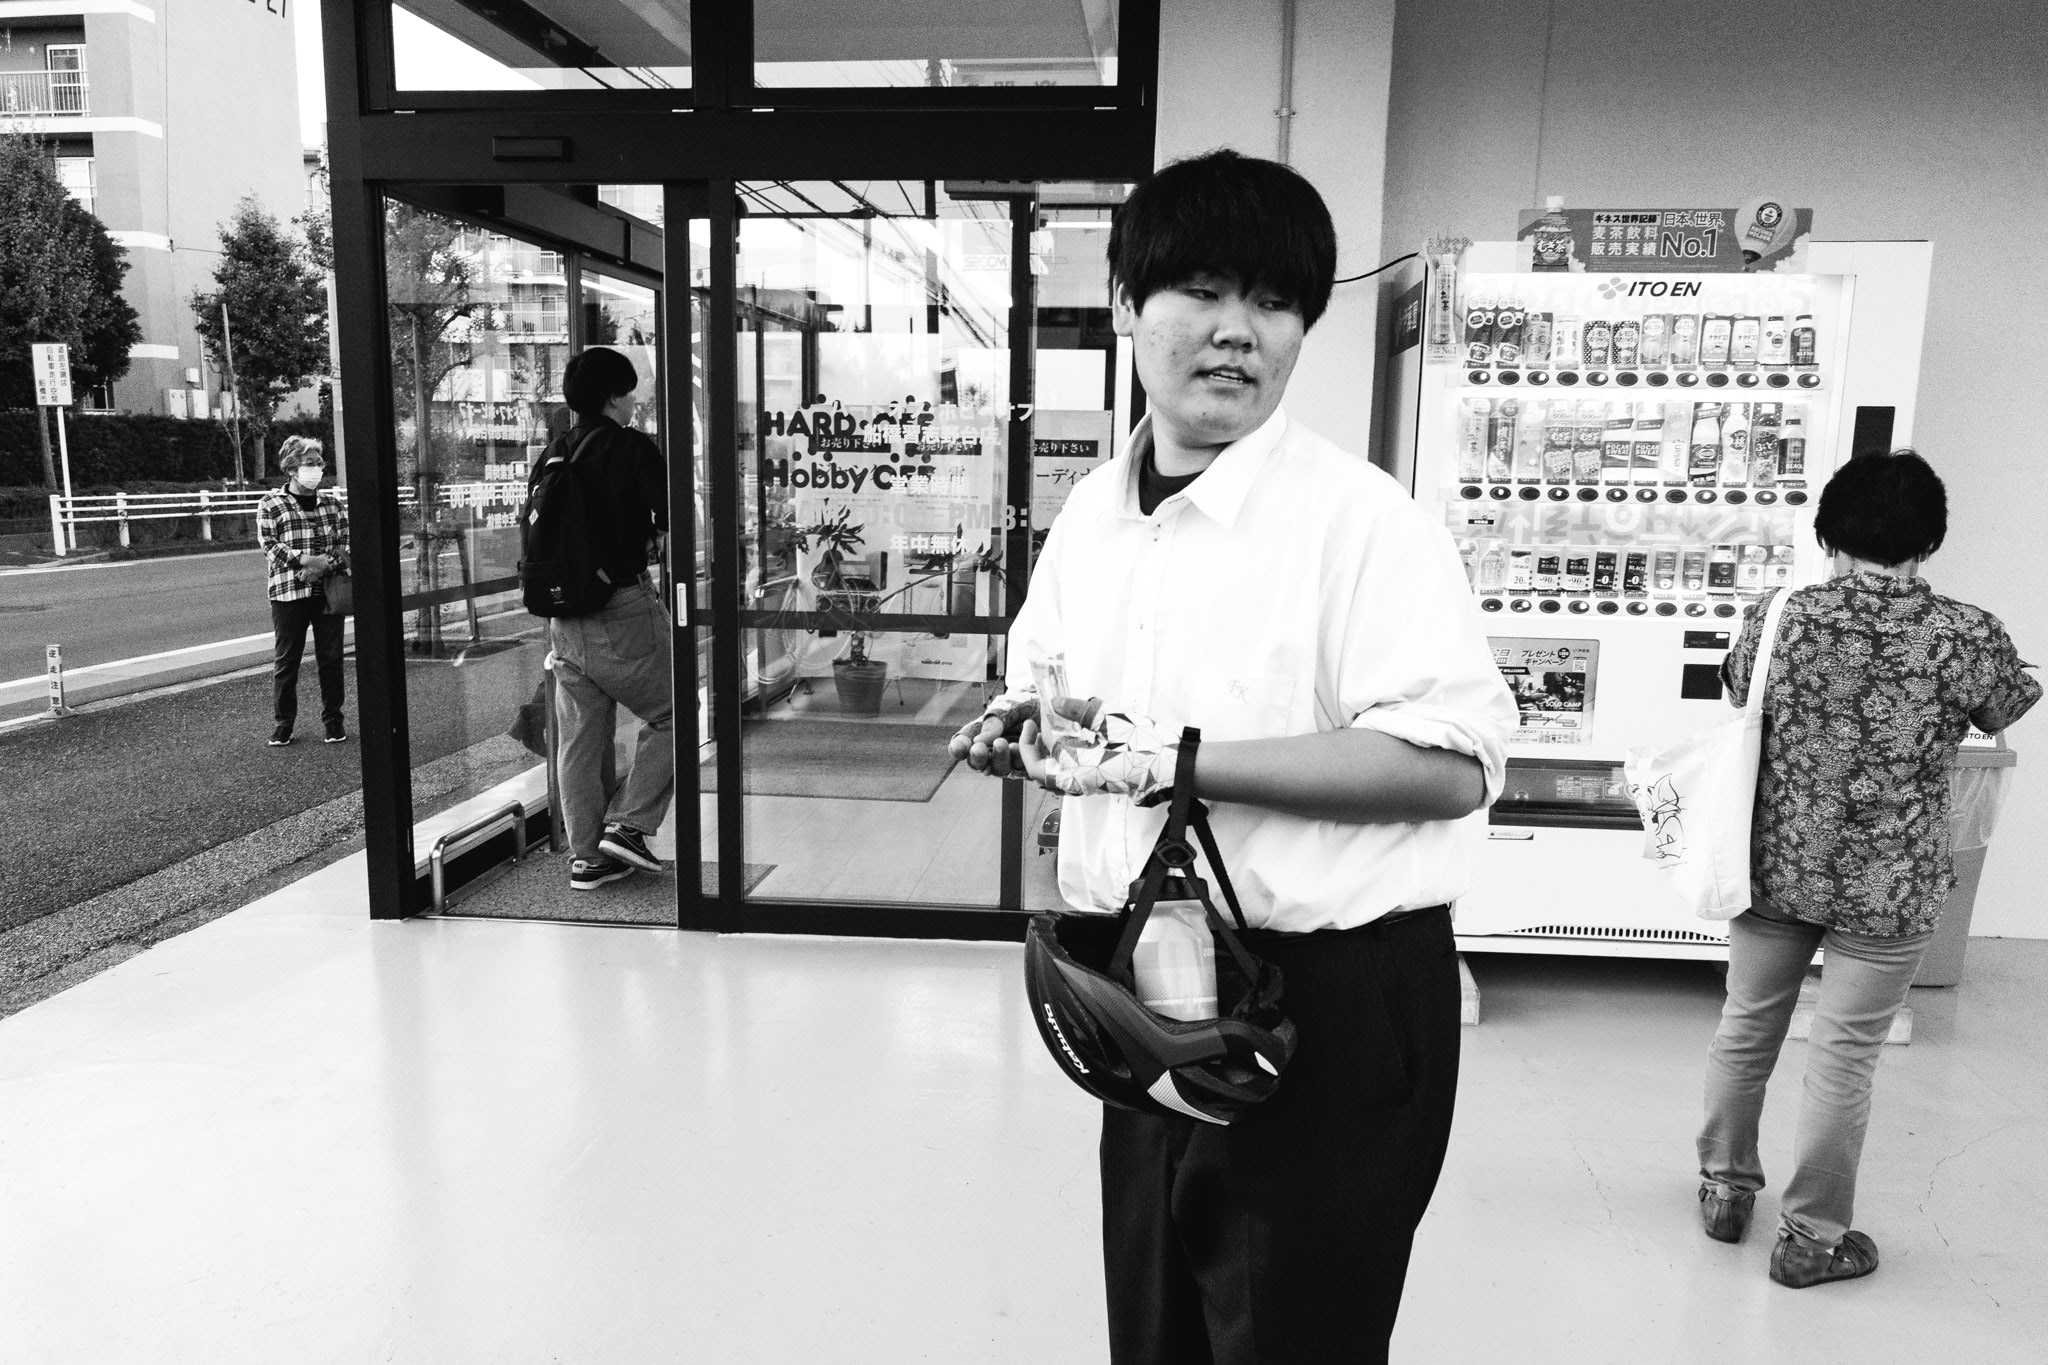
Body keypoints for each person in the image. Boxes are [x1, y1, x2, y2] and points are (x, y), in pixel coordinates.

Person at [950, 150, 1517, 1362]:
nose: (1234, 332)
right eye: (1199, 291)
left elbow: (1448, 766)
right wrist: (1025, 731)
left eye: (1271, 302)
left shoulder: (1361, 523)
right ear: (1124, 305)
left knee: (1289, 1338)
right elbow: (1056, 695)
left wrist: (1175, 763)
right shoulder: (1092, 522)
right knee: (1157, 1331)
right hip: (1141, 993)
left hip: (1329, 1003)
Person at [1696, 449, 2039, 1287]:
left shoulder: (1778, 614)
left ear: (1829, 530)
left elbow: (1739, 694)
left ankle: (1725, 1189)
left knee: (1747, 1028)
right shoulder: (1968, 631)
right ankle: (1812, 1239)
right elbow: (2006, 709)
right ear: (1929, 539)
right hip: (1892, 883)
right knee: (1845, 1056)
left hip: (1777, 861)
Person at [539, 346, 675, 891]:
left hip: (561, 618)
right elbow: (670, 526)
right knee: (675, 714)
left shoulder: (555, 452)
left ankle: (588, 856)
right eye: (632, 388)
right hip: (620, 609)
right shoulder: (631, 448)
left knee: (580, 738)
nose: (636, 396)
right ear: (616, 395)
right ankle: (632, 826)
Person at [257, 436, 350, 747]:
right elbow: (269, 545)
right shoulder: (271, 504)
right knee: (287, 661)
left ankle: (334, 721)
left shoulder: (334, 505)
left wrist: (320, 566)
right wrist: (303, 560)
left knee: (332, 658)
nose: (317, 469)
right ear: (291, 468)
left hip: (328, 592)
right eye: (310, 464)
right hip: (287, 593)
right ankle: (284, 724)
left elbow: (344, 545)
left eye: (319, 463)